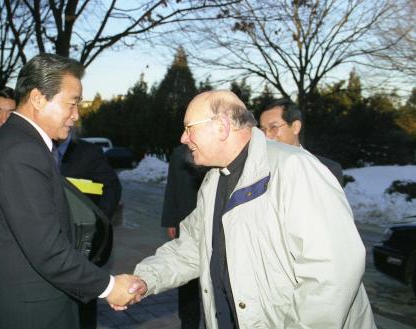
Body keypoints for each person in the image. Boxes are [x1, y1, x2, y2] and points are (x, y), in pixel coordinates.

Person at [129, 90, 375, 328]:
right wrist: (145, 279)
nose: (183, 138)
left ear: (222, 126)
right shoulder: (213, 180)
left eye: (189, 127)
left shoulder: (294, 169)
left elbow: (333, 272)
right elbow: (193, 246)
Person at [0, 53, 136, 329]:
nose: (76, 115)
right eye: (72, 103)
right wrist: (109, 286)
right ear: (37, 98)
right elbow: (47, 250)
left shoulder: (14, 143)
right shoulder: (21, 151)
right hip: (27, 316)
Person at [56, 133, 122, 329]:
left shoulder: (88, 152)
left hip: (80, 245)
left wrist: (97, 220)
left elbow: (112, 186)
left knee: (82, 305)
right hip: (47, 239)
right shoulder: (34, 149)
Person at [162, 144, 206, 329]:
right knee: (187, 280)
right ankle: (188, 323)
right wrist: (171, 220)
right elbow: (172, 187)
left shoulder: (217, 151)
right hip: (184, 222)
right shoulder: (179, 153)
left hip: (211, 221)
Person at [259, 98, 344, 186]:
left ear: (296, 127)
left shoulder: (326, 169)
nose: (266, 135)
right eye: (262, 129)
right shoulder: (258, 170)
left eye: (273, 127)